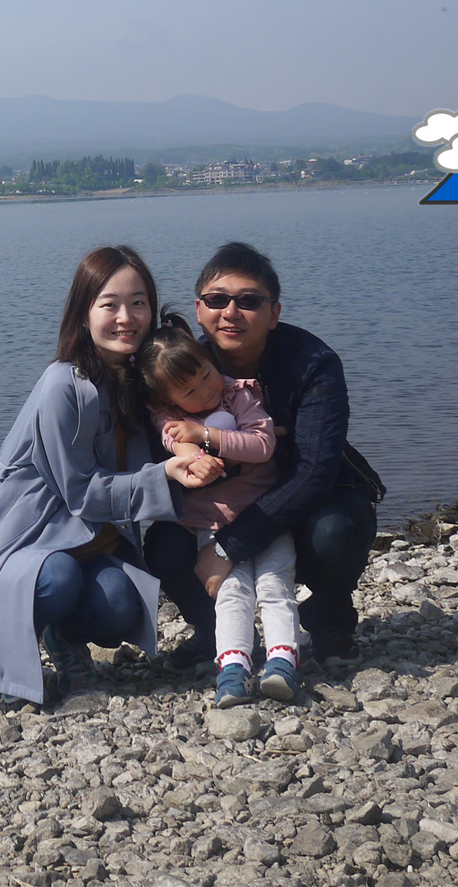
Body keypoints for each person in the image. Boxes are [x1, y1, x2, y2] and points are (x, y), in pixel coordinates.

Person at [0, 246, 226, 707]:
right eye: (109, 304)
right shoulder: (63, 385)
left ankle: (64, 640)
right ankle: (11, 660)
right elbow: (81, 492)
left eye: (138, 303)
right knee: (57, 577)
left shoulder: (137, 380)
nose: (125, 317)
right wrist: (166, 475)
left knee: (121, 606)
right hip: (27, 535)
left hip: (90, 538)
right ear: (83, 312)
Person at [142, 241, 383, 664]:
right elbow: (155, 429)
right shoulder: (179, 364)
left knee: (335, 531)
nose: (230, 312)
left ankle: (331, 624)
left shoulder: (313, 364)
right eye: (217, 300)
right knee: (162, 544)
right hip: (221, 499)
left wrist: (226, 548)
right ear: (199, 310)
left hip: (307, 494)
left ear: (274, 313)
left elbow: (313, 473)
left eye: (249, 301)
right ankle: (214, 633)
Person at [139, 315, 301, 706]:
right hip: (213, 523)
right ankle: (233, 666)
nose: (207, 391)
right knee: (231, 591)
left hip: (265, 516)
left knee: (275, 586)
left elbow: (262, 445)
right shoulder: (171, 419)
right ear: (169, 400)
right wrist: (193, 455)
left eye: (208, 374)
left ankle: (283, 662)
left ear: (212, 361)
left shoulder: (239, 394)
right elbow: (175, 443)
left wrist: (207, 435)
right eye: (190, 391)